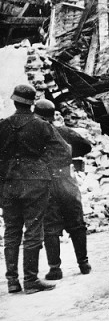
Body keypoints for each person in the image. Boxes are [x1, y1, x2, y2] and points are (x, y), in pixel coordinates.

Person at [0, 85, 61, 294]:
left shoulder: (3, 125)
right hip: (35, 182)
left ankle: (12, 281)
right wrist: (45, 165)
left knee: (12, 231)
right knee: (34, 229)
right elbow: (62, 150)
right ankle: (31, 280)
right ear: (32, 102)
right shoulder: (42, 125)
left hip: (9, 182)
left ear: (15, 101)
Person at [34, 99, 92, 280]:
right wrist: (68, 155)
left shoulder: (33, 136)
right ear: (52, 116)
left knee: (50, 225)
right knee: (76, 222)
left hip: (45, 183)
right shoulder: (63, 132)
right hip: (66, 179)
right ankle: (83, 263)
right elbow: (86, 145)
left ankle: (55, 268)